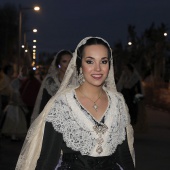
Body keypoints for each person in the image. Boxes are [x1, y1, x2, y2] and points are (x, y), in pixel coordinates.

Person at [16, 37, 135, 170]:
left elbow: (124, 154)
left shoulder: (118, 102)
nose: (98, 68)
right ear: (79, 64)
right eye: (90, 61)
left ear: (109, 65)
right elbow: (48, 159)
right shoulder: (62, 104)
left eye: (104, 61)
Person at [31, 50, 72, 123]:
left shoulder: (78, 81)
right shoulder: (50, 82)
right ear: (59, 64)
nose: (68, 64)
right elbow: (43, 103)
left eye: (70, 61)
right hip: (53, 121)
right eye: (64, 61)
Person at [1, 66, 28, 140]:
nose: (13, 71)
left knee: (11, 120)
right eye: (12, 70)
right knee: (13, 120)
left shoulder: (10, 79)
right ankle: (12, 135)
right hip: (9, 102)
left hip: (11, 102)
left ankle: (12, 135)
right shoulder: (6, 80)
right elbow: (7, 91)